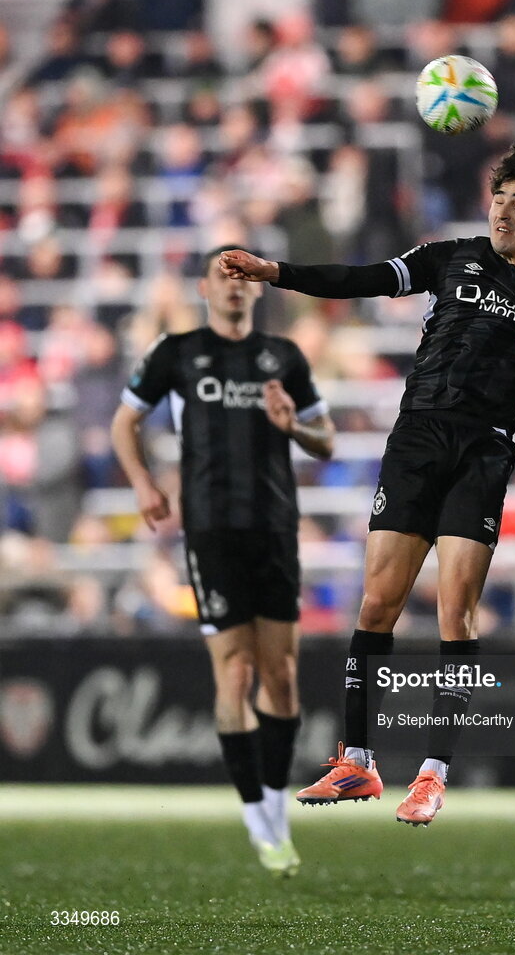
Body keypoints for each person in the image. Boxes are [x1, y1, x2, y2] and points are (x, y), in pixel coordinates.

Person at [219, 144, 515, 826]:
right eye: (499, 199)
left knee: (454, 613)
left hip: (482, 451)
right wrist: (274, 271)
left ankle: (432, 775)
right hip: (415, 439)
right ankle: (357, 763)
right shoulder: (448, 257)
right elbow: (360, 278)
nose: (503, 211)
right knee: (377, 603)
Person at [111, 246, 335, 873]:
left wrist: (294, 425)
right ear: (203, 288)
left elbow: (326, 441)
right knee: (235, 674)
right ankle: (257, 816)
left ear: (258, 291)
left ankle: (275, 804)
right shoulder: (176, 353)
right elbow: (123, 423)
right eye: (223, 276)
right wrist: (142, 485)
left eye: (244, 278)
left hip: (274, 529)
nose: (234, 287)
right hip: (210, 532)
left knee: (282, 676)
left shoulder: (284, 358)